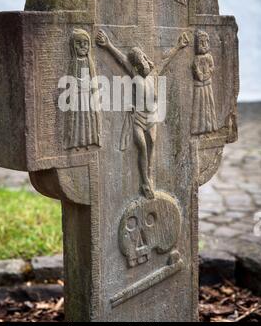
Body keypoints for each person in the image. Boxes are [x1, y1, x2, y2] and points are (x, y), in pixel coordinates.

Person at [96, 29, 189, 198]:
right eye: (139, 63)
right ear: (136, 66)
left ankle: (150, 175)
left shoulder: (154, 74)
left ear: (147, 60)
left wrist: (179, 46)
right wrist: (108, 45)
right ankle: (145, 181)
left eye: (144, 61)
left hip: (152, 117)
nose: (143, 65)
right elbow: (122, 60)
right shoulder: (135, 76)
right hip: (138, 118)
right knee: (142, 148)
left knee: (152, 146)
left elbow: (166, 60)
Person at [66, 28, 101, 150]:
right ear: (73, 45)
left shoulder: (89, 62)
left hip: (88, 95)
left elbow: (93, 79)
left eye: (85, 43)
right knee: (77, 120)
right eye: (79, 43)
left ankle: (89, 141)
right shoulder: (74, 62)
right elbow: (71, 80)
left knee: (88, 119)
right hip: (77, 96)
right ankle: (75, 143)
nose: (82, 46)